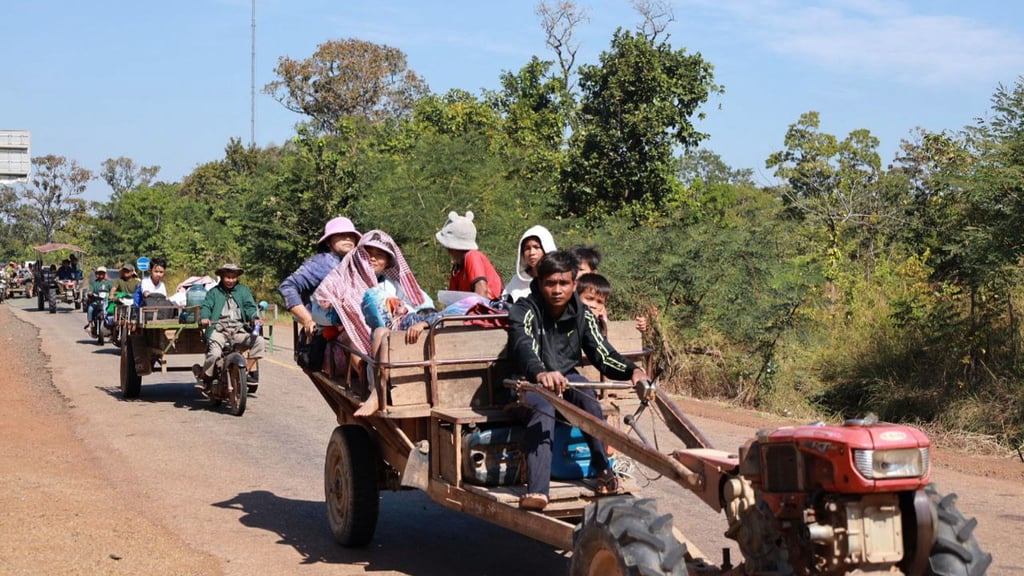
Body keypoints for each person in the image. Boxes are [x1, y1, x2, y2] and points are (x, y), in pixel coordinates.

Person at [507, 251, 647, 511]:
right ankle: (538, 490)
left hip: (565, 378)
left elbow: (602, 352)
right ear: (539, 284)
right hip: (525, 383)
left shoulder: (581, 312)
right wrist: (540, 372)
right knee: (544, 406)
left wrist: (632, 371)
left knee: (587, 398)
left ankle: (603, 470)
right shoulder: (525, 309)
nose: (557, 290)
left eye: (564, 283)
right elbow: (522, 344)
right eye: (550, 283)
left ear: (574, 284)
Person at [314, 230, 435, 415]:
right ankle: (370, 382)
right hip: (355, 343)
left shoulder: (394, 285)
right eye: (367, 254)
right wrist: (348, 316)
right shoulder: (342, 279)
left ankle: (396, 383)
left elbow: (423, 305)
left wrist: (419, 321)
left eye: (379, 256)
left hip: (395, 340)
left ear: (387, 262)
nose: (372, 259)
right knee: (350, 337)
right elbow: (317, 311)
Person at [279, 216, 361, 344]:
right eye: (341, 234)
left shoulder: (359, 264)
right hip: (326, 332)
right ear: (329, 242)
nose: (347, 238)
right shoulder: (321, 263)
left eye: (351, 235)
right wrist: (307, 319)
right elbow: (288, 286)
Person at [193, 263, 266, 386]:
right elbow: (206, 307)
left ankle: (245, 372)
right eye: (227, 277)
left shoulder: (243, 291)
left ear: (237, 277)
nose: (230, 280)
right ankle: (204, 376)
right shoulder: (214, 292)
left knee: (259, 341)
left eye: (233, 277)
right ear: (221, 277)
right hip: (218, 330)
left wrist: (255, 318)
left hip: (238, 330)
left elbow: (250, 307)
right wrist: (204, 317)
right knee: (215, 354)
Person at [434, 211, 503, 300]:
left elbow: (482, 291)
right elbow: (453, 300)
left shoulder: (472, 256)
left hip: (490, 310)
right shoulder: (457, 268)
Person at [502, 225, 557, 303]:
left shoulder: (558, 278)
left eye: (536, 247)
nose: (531, 253)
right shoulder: (517, 281)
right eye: (527, 248)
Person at [84, 266, 113, 333]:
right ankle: (90, 324)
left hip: (106, 302)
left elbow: (112, 291)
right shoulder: (94, 283)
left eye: (102, 273)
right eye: (99, 273)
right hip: (96, 301)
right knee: (90, 308)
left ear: (105, 274)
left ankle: (112, 328)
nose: (101, 275)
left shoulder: (109, 283)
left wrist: (112, 295)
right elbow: (91, 290)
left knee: (112, 312)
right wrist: (90, 293)